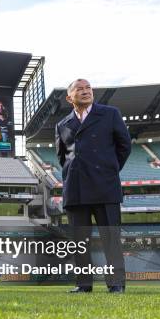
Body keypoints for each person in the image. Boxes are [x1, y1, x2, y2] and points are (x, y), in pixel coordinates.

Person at [55, 79, 131, 293]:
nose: (86, 91)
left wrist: (109, 169)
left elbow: (124, 146)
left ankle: (116, 284)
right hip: (75, 188)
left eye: (88, 88)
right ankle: (83, 284)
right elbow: (63, 157)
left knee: (111, 239)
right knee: (80, 241)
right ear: (70, 97)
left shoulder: (110, 114)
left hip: (105, 186)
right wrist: (74, 173)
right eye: (80, 89)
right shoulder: (62, 124)